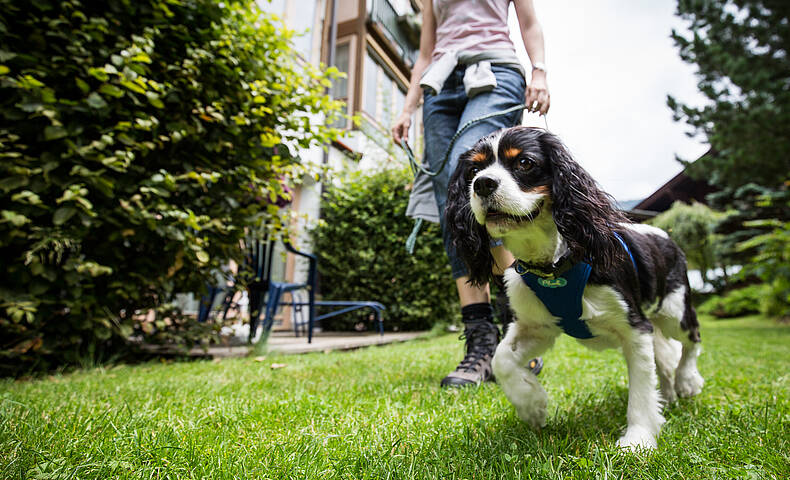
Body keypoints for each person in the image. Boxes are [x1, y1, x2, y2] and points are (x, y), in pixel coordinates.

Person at [391, 0, 550, 387]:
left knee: (469, 172)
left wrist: (539, 72)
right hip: (439, 82)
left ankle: (518, 331)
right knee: (453, 202)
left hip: (496, 71)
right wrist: (408, 107)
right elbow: (426, 50)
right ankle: (481, 340)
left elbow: (529, 23)